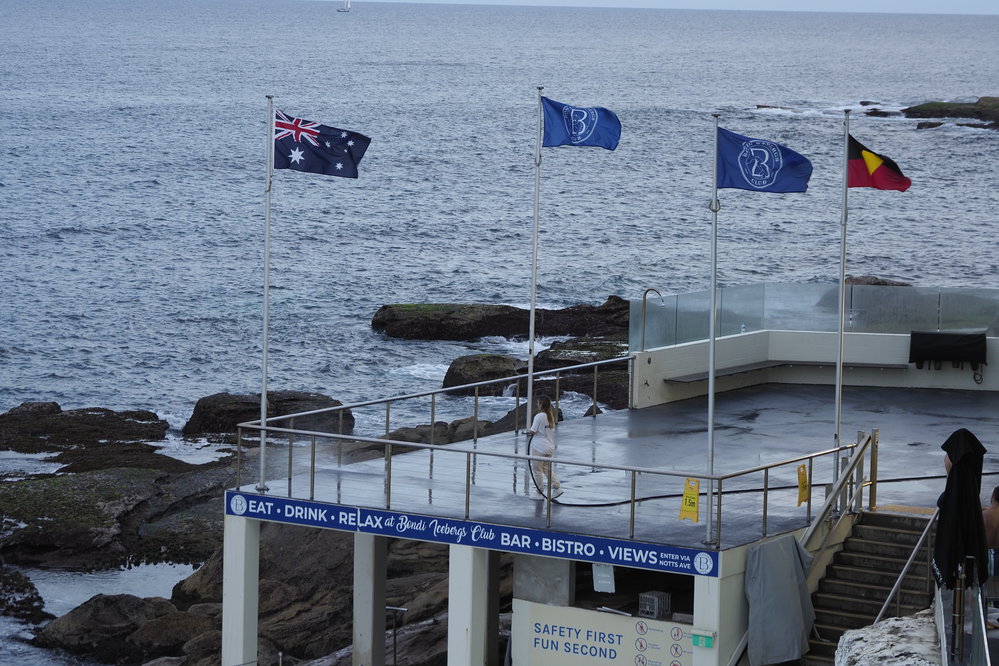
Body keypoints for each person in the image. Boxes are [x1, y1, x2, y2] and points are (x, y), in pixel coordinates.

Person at [526, 396, 562, 498]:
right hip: (549, 447)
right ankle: (557, 488)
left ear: (541, 404)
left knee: (537, 470)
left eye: (538, 403)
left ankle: (539, 493)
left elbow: (533, 431)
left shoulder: (539, 416)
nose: (537, 405)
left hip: (539, 448)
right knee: (547, 469)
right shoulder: (550, 416)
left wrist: (527, 433)